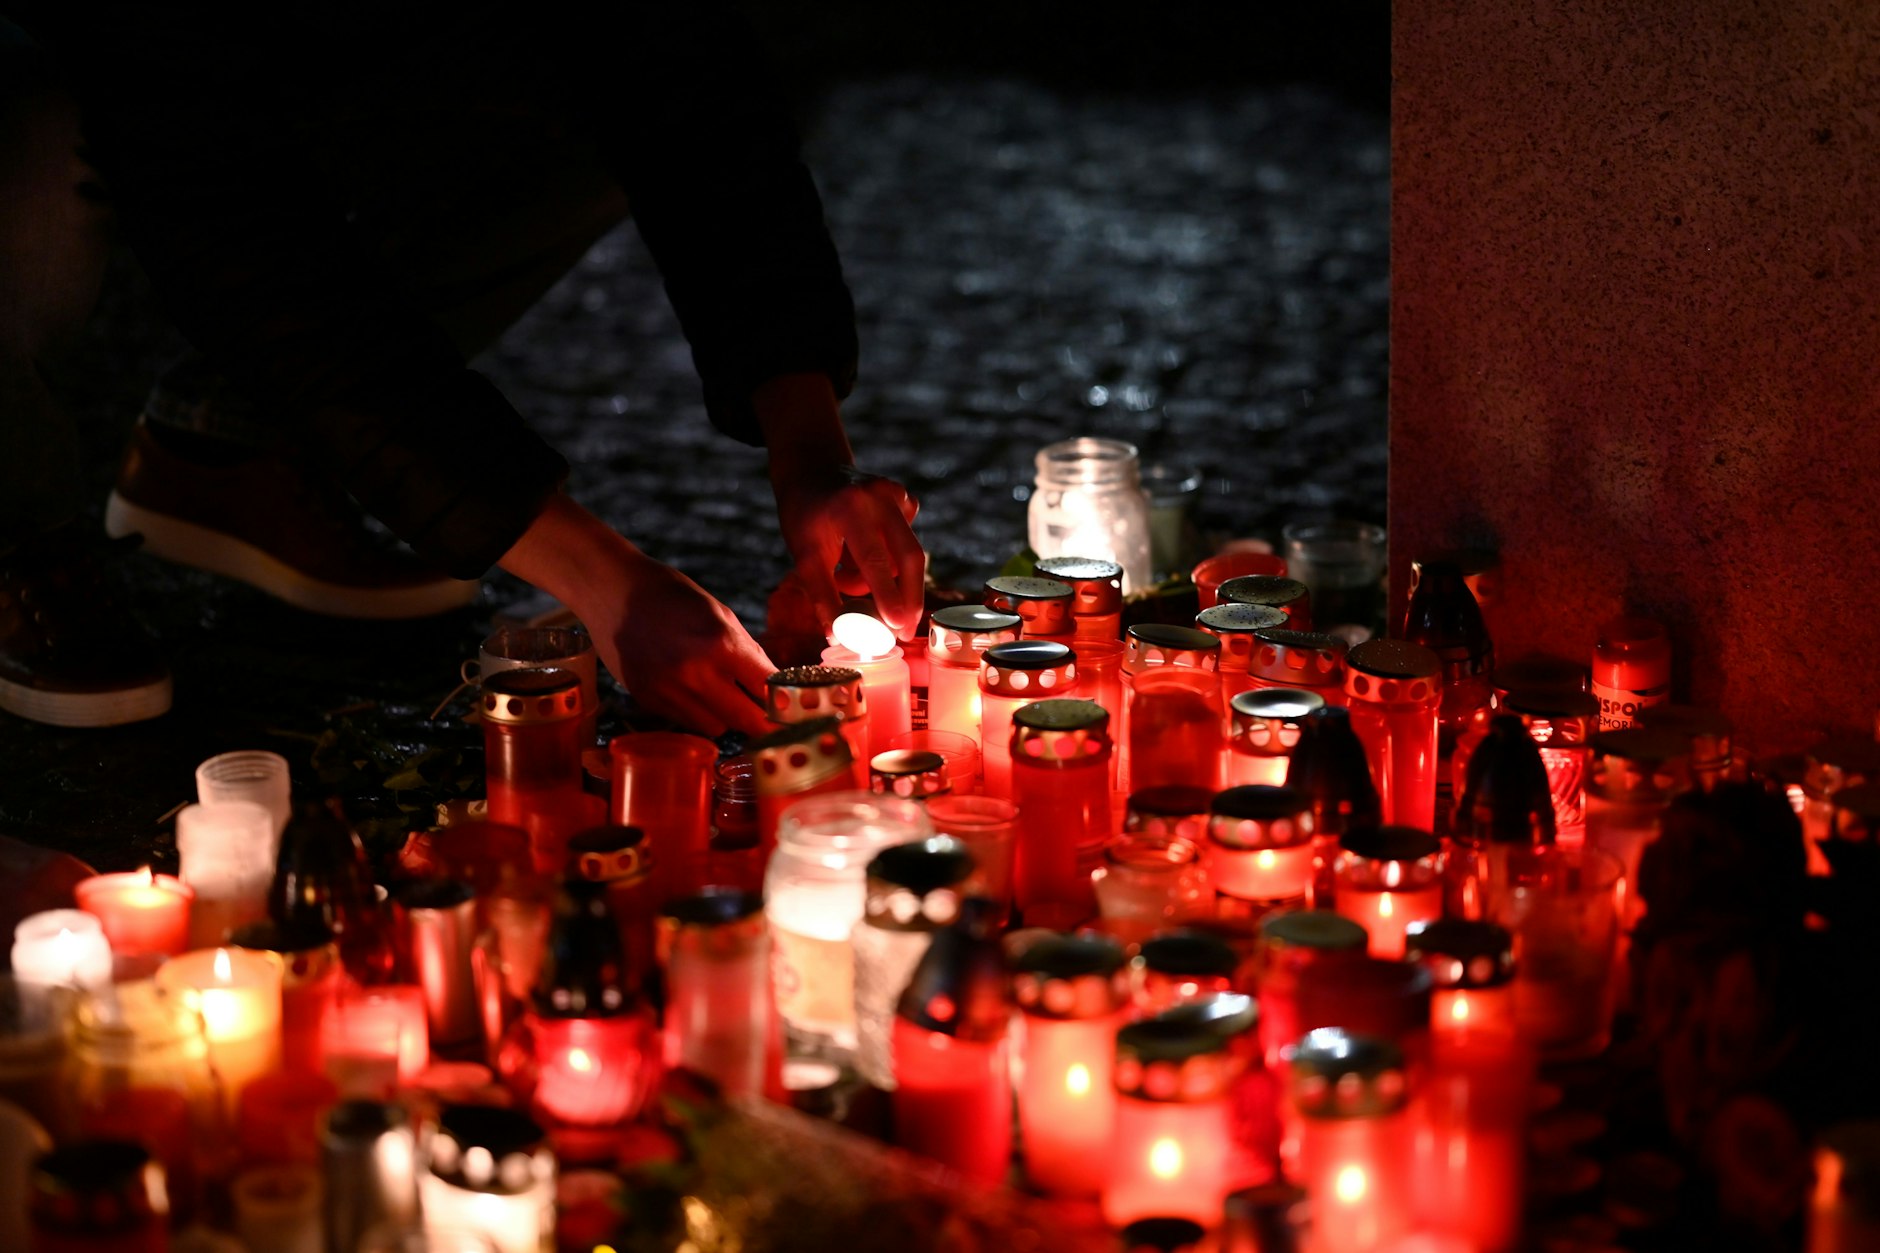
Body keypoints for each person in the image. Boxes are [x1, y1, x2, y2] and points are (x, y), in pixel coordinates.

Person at [0, 5, 924, 736]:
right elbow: (226, 226)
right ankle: (15, 528)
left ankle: (229, 441)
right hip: (87, 64)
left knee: (582, 84)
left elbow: (688, 81)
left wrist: (809, 451)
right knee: (29, 140)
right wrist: (605, 580)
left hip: (323, 58)